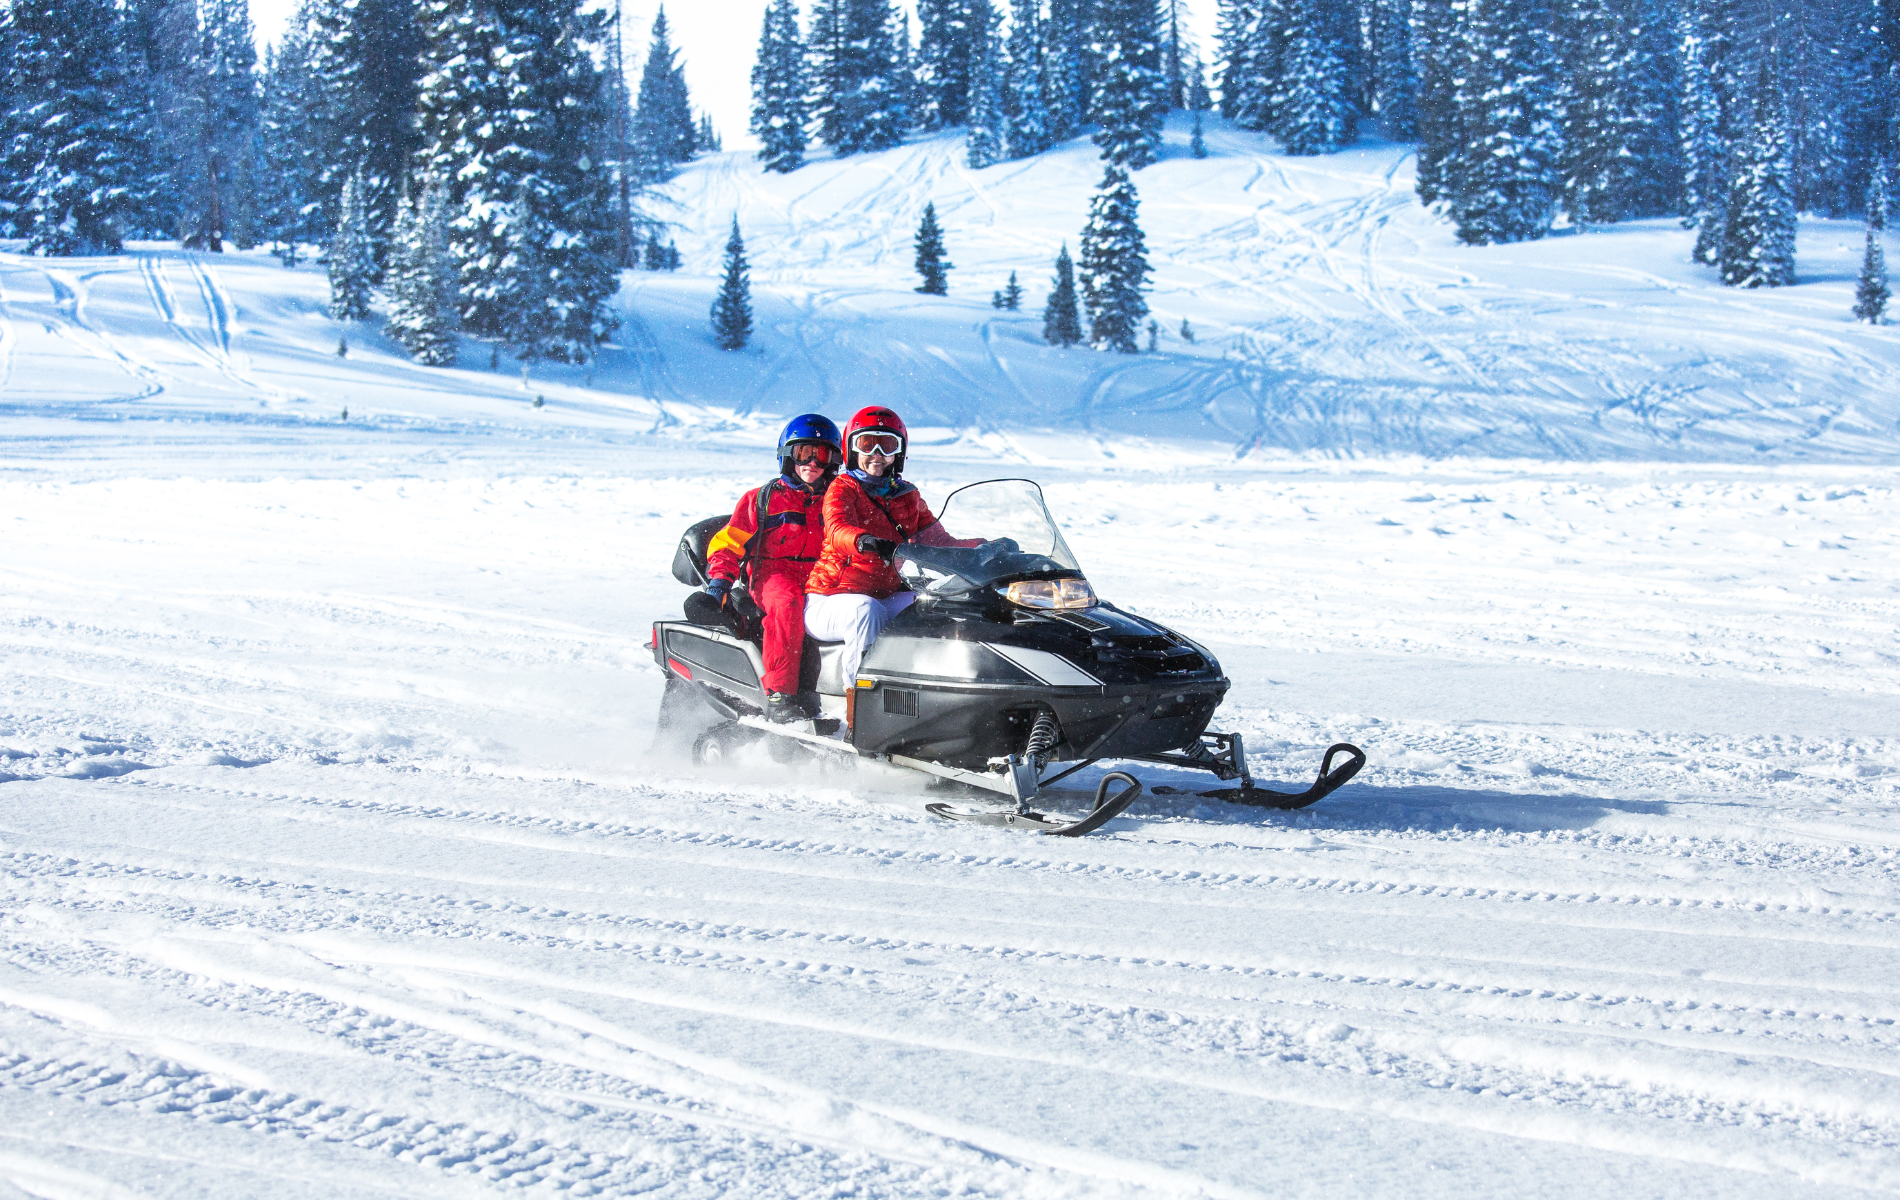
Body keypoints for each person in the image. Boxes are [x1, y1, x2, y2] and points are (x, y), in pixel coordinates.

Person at [804, 406, 977, 715]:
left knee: (936, 603)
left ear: (900, 452)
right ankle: (861, 714)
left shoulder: (907, 495)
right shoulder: (843, 488)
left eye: (888, 445)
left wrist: (984, 548)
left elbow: (939, 541)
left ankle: (933, 704)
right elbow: (836, 529)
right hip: (830, 598)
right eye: (868, 444)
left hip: (885, 594)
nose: (878, 454)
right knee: (863, 610)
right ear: (851, 449)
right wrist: (863, 540)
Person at [702, 413, 842, 723]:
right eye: (803, 453)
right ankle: (781, 695)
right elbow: (728, 543)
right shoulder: (762, 499)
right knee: (787, 602)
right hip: (773, 574)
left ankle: (843, 695)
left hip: (822, 575)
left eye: (822, 454)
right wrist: (718, 586)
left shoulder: (836, 501)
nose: (812, 463)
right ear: (787, 456)